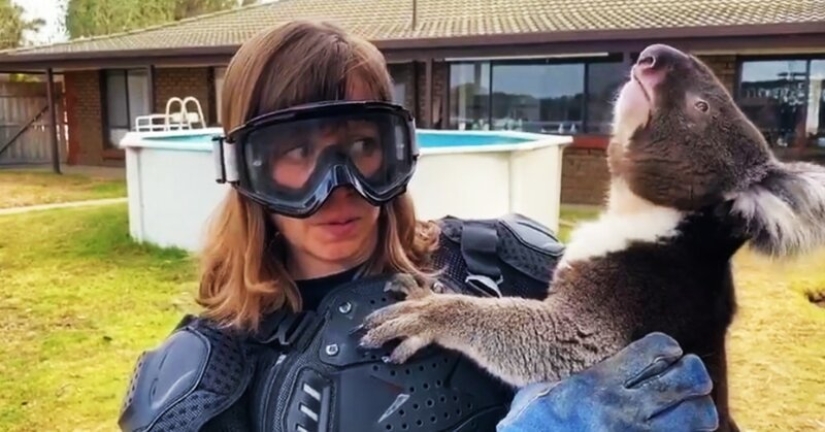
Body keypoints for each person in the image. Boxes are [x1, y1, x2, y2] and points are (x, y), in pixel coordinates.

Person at [117, 20, 719, 432]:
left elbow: (677, 371)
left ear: (397, 149)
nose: (339, 186)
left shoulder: (505, 267)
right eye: (298, 152)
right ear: (246, 169)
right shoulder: (206, 383)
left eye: (362, 145)